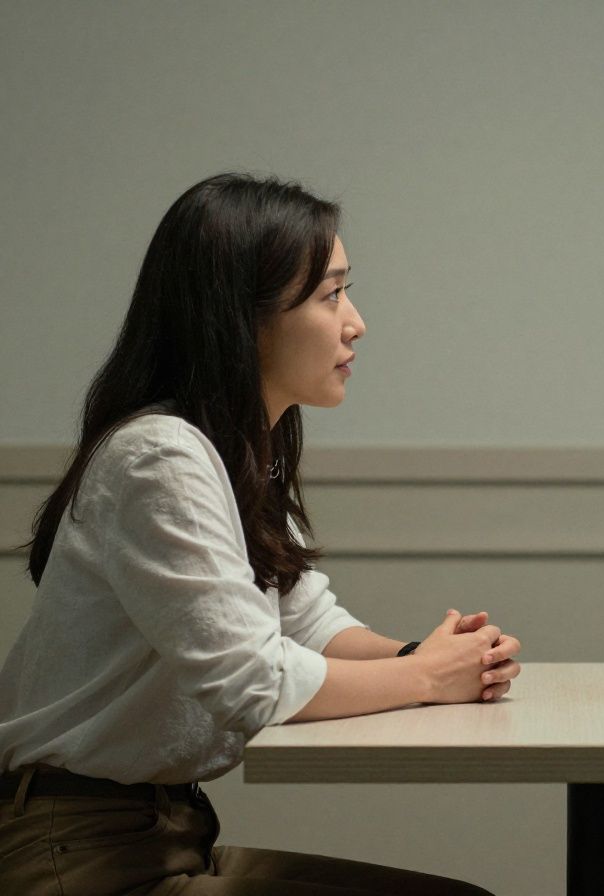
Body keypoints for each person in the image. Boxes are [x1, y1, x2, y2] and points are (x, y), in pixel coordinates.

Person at [0, 173, 521, 895]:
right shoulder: (160, 459)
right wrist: (429, 677)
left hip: (162, 835)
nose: (356, 323)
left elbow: (305, 624)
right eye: (330, 295)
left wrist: (427, 656)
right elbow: (252, 683)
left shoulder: (234, 450)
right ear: (242, 318)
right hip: (75, 855)